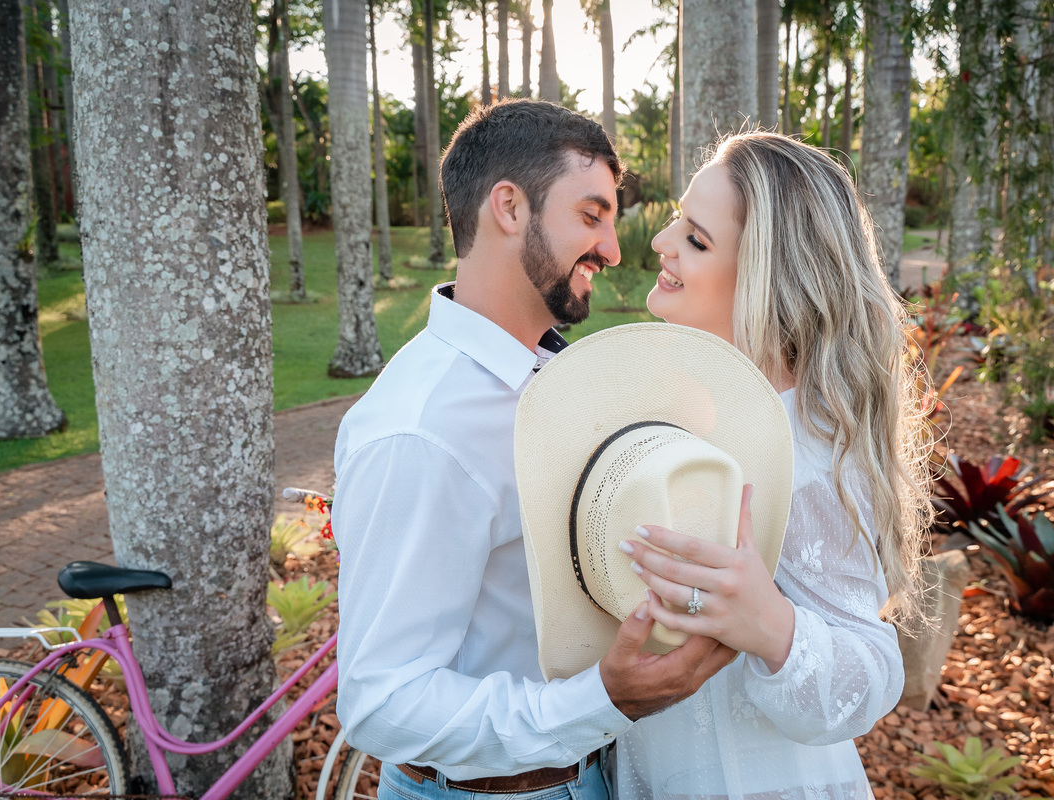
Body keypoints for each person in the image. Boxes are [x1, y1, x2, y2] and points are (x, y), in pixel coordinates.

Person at [331, 99, 736, 800]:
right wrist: (600, 701)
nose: (612, 250)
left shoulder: (555, 377)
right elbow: (380, 702)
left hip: (596, 773)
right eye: (591, 215)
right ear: (510, 208)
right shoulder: (422, 431)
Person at [615, 131, 934, 800]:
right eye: (679, 217)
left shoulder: (803, 450)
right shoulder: (697, 415)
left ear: (766, 277)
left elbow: (873, 671)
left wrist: (773, 627)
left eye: (697, 239)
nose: (661, 242)